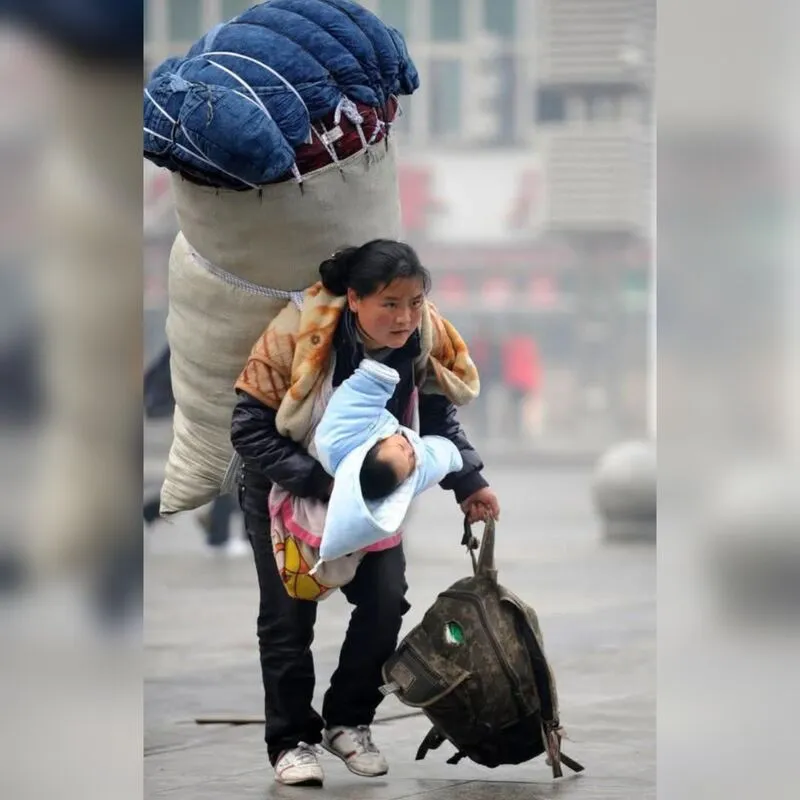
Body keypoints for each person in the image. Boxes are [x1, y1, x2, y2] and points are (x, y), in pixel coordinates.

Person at [231, 239, 500, 787]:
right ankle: (291, 741)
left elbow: (437, 421)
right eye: (390, 303)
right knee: (287, 621)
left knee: (384, 602)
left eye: (415, 302)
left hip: (369, 499)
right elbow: (247, 429)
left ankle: (349, 720)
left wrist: (469, 482)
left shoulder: (422, 341)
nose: (404, 317)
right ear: (354, 299)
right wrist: (325, 483)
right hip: (284, 491)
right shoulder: (295, 337)